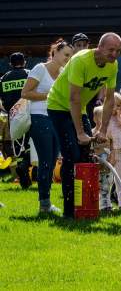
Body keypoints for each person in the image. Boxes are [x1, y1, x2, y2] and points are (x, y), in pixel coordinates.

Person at [47, 32, 121, 219]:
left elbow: (110, 98)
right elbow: (74, 98)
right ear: (100, 47)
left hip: (77, 109)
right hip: (59, 106)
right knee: (71, 155)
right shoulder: (81, 60)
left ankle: (85, 207)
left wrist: (103, 130)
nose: (114, 54)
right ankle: (70, 211)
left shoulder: (113, 66)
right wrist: (80, 132)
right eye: (111, 50)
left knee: (86, 156)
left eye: (118, 51)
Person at [21, 39, 73, 213]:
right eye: (66, 54)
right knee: (45, 162)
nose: (68, 58)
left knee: (51, 162)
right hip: (39, 118)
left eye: (70, 56)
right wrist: (50, 96)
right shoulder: (39, 69)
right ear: (55, 52)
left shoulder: (64, 71)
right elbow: (25, 93)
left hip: (56, 119)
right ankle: (44, 204)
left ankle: (46, 203)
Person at [0, 52, 32, 189]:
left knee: (18, 146)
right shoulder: (30, 74)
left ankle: (21, 165)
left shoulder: (3, 78)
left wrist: (7, 110)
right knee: (32, 142)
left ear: (10, 64)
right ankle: (26, 164)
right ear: (24, 62)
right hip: (29, 114)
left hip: (13, 117)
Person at [106, 92, 121, 210]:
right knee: (108, 179)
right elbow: (106, 136)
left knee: (120, 179)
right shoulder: (105, 119)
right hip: (110, 152)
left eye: (119, 106)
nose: (116, 108)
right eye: (113, 106)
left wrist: (120, 120)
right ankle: (106, 204)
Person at [91, 106, 113, 212]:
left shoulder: (108, 132)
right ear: (95, 119)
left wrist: (112, 156)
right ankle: (99, 204)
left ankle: (107, 204)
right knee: (98, 184)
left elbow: (113, 146)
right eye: (102, 118)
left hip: (107, 163)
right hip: (97, 163)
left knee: (107, 184)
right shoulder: (91, 133)